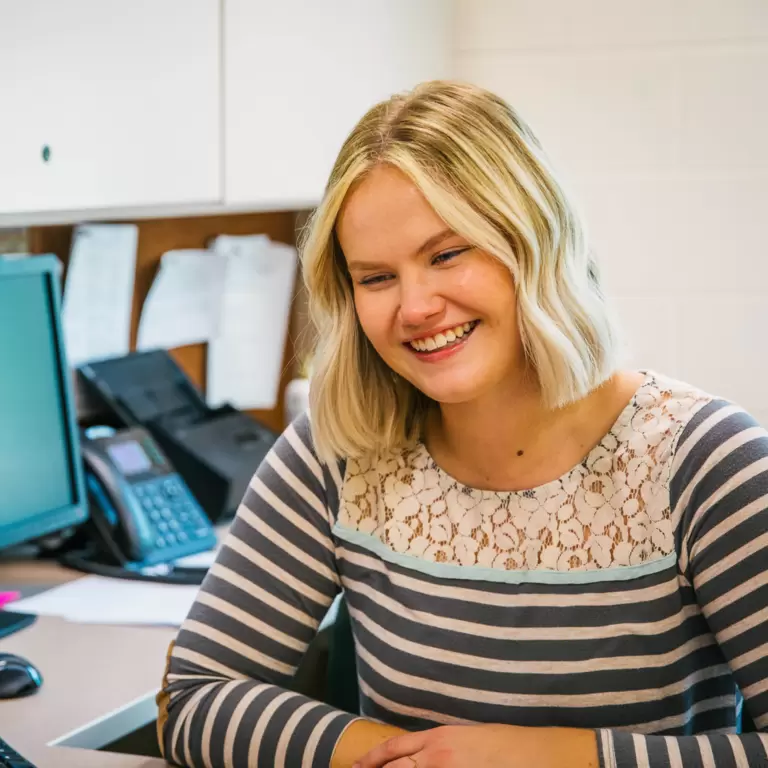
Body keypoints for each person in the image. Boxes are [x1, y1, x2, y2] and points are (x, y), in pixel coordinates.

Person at [156, 81, 768, 768]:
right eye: (376, 277)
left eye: (447, 255)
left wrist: (549, 760)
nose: (415, 306)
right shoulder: (340, 450)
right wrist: (420, 758)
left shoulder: (709, 462)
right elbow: (197, 696)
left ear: (533, 240)